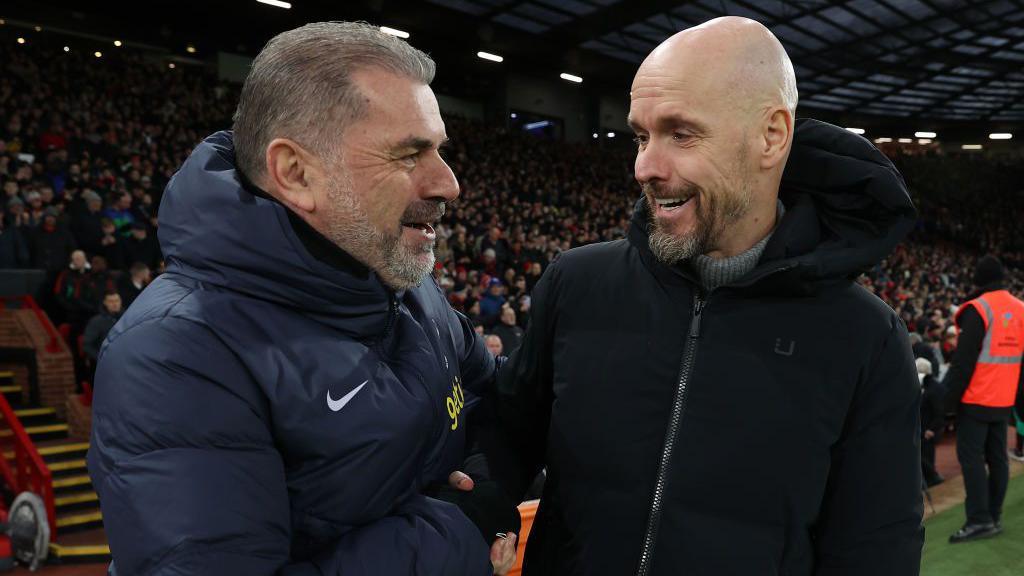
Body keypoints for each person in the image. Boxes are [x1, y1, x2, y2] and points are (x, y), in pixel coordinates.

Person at [484, 17, 922, 575]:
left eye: (681, 134)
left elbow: (875, 551)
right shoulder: (577, 282)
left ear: (771, 136)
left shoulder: (867, 338)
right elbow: (504, 435)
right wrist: (483, 505)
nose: (645, 165)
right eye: (642, 135)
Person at [88, 22, 517, 575]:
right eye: (410, 155)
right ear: (295, 173)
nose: (448, 183)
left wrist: (487, 470)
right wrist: (454, 529)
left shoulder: (408, 289)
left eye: (438, 149)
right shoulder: (176, 353)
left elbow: (495, 397)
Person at [943, 255, 1024, 543]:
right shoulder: (1020, 309)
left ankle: (979, 520)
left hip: (976, 398)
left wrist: (944, 405)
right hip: (1004, 400)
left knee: (972, 459)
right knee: (998, 458)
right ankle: (994, 515)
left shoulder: (979, 309)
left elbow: (962, 364)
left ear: (978, 280)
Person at [918, 357, 946, 487]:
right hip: (926, 426)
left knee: (924, 454)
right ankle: (930, 477)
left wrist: (931, 429)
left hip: (930, 428)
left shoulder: (933, 388)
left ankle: (932, 477)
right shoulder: (930, 385)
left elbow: (939, 412)